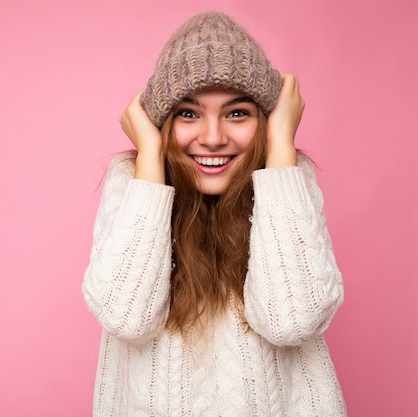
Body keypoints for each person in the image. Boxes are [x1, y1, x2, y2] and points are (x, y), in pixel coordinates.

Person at [82, 11, 346, 417]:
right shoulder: (132, 185)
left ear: (268, 120)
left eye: (237, 113)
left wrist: (280, 153)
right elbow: (127, 317)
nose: (212, 138)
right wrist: (150, 161)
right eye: (188, 113)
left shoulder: (287, 181)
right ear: (162, 123)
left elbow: (292, 320)